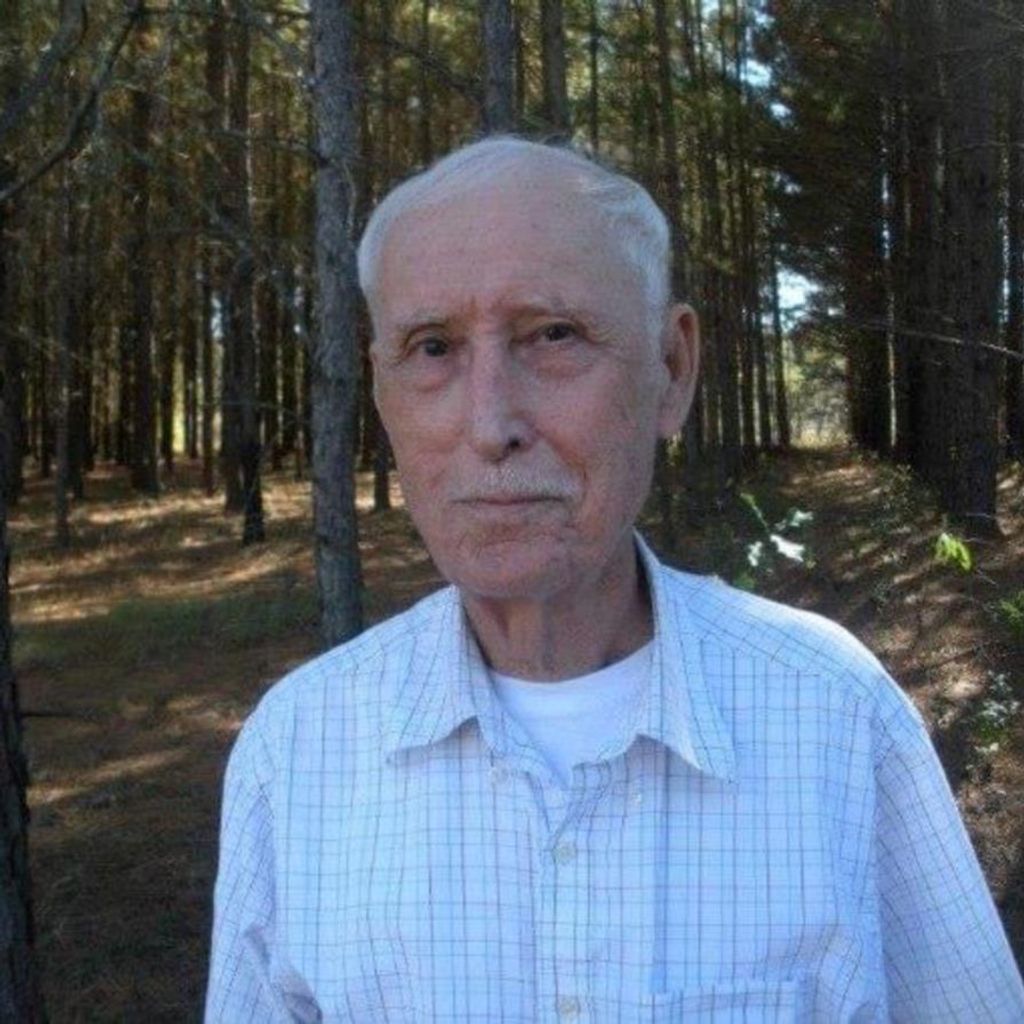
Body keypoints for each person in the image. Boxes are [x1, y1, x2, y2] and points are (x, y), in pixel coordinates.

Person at [205, 137, 1024, 1023]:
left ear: (672, 370)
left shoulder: (836, 714)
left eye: (553, 335)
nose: (490, 424)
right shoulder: (298, 751)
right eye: (432, 348)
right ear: (382, 393)